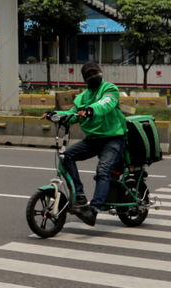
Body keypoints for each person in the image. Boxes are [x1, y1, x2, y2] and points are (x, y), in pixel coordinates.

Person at [47, 61, 127, 226]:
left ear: (100, 72)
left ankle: (94, 210)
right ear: (85, 79)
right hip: (93, 140)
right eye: (88, 75)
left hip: (113, 139)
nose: (92, 76)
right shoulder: (82, 97)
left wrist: (91, 110)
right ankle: (80, 196)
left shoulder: (110, 89)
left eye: (94, 73)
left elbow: (106, 103)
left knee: (103, 170)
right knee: (66, 155)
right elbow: (73, 114)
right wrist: (55, 114)